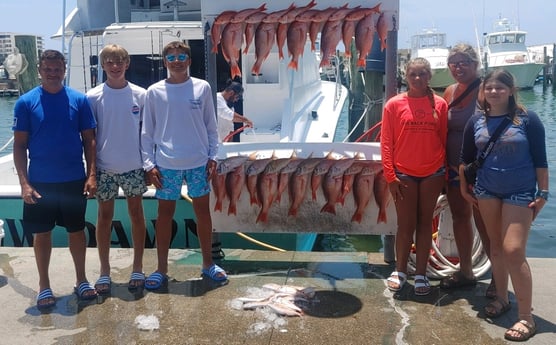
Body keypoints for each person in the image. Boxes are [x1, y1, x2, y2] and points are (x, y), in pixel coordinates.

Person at [460, 69, 548, 342]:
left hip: (520, 192)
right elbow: (465, 158)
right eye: (489, 88)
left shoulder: (527, 119)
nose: (494, 92)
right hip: (486, 191)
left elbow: (540, 160)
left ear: (511, 90)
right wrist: (464, 187)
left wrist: (543, 192)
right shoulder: (476, 121)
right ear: (483, 92)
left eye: (500, 87)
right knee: (495, 248)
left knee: (513, 250)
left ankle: (526, 317)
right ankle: (501, 298)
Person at [12, 49, 98, 309]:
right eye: (48, 69)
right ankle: (44, 285)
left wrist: (91, 174)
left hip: (73, 178)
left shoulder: (79, 100)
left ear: (64, 69)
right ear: (40, 70)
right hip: (40, 183)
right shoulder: (25, 102)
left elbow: (89, 140)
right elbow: (19, 146)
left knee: (76, 231)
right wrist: (24, 183)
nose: (53, 73)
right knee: (42, 234)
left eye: (57, 69)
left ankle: (82, 279)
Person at [141, 41, 227, 290]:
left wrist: (213, 156)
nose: (176, 61)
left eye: (181, 56)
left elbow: (211, 127)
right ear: (165, 62)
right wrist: (149, 165)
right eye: (171, 57)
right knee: (164, 216)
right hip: (166, 163)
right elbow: (147, 132)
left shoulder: (202, 88)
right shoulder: (154, 92)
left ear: (189, 61)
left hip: (199, 162)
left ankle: (208, 264)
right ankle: (161, 269)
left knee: (203, 214)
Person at [381, 57, 448, 296]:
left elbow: (443, 140)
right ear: (405, 77)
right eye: (413, 75)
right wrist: (390, 176)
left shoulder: (440, 104)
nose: (417, 79)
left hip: (433, 173)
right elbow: (386, 142)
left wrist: (445, 175)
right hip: (403, 174)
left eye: (422, 74)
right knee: (405, 224)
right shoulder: (394, 105)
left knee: (424, 223)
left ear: (429, 76)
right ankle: (400, 270)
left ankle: (420, 272)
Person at [86, 44, 148, 293]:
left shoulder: (141, 95)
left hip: (134, 165)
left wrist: (148, 165)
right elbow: (88, 137)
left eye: (119, 61)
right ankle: (104, 271)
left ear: (127, 64)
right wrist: (90, 172)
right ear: (103, 65)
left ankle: (138, 267)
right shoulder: (92, 97)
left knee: (137, 215)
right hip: (104, 167)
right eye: (110, 61)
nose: (115, 65)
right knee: (103, 217)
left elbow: (148, 132)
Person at [440, 43, 493, 296]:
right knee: (461, 218)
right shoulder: (449, 91)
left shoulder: (485, 91)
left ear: (475, 64)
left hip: (478, 171)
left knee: (486, 225)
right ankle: (466, 271)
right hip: (452, 169)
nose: (458, 67)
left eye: (464, 62)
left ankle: (499, 279)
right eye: (454, 63)